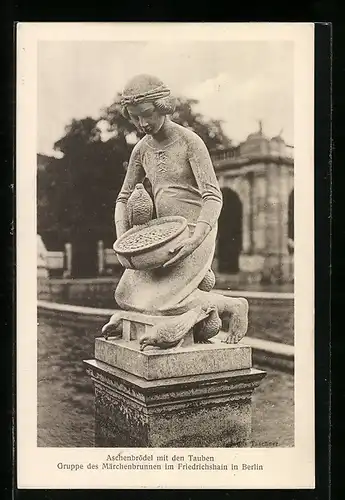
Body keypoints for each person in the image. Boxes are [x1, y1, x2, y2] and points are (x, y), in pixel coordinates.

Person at [114, 74, 248, 343]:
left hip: (194, 231)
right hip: (160, 236)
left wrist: (196, 239)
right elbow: (123, 197)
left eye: (147, 114)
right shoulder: (141, 149)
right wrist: (123, 237)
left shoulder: (190, 142)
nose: (142, 123)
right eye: (135, 117)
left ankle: (234, 306)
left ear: (163, 106)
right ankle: (200, 313)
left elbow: (212, 196)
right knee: (125, 294)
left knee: (167, 301)